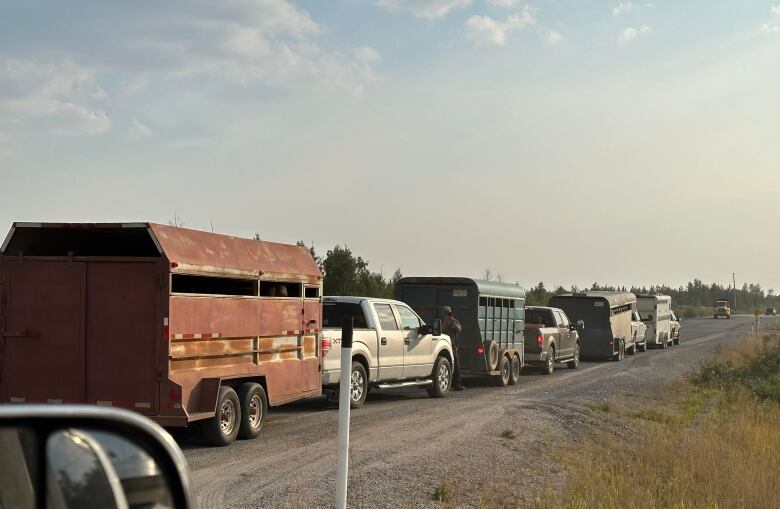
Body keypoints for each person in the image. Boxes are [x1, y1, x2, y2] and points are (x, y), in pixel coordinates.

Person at [441, 306, 465, 391]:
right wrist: (446, 322)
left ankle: (457, 385)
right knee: (446, 365)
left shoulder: (454, 321)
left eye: (448, 313)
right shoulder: (442, 321)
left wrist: (452, 323)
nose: (447, 314)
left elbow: (459, 329)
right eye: (446, 313)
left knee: (456, 366)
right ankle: (450, 384)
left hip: (453, 346)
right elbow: (441, 330)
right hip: (444, 346)